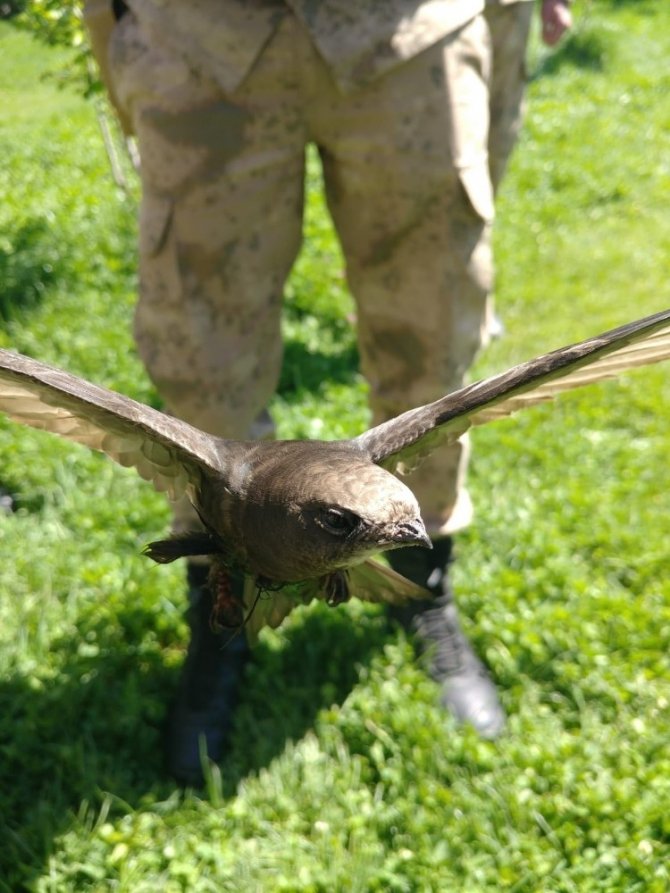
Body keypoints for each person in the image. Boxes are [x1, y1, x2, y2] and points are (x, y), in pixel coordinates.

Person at [84, 0, 571, 784]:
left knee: (432, 346)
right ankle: (224, 606)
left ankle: (419, 577)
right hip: (203, 33)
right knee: (203, 359)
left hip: (408, 28)